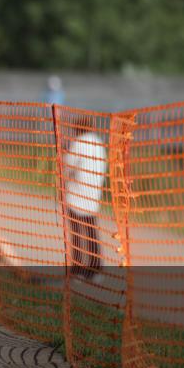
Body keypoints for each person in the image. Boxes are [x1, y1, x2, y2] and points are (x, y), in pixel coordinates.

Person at [62, 117, 108, 281]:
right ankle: (96, 268)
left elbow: (67, 167)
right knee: (91, 233)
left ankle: (77, 268)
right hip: (93, 195)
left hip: (75, 195)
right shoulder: (99, 144)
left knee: (76, 235)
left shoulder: (79, 143)